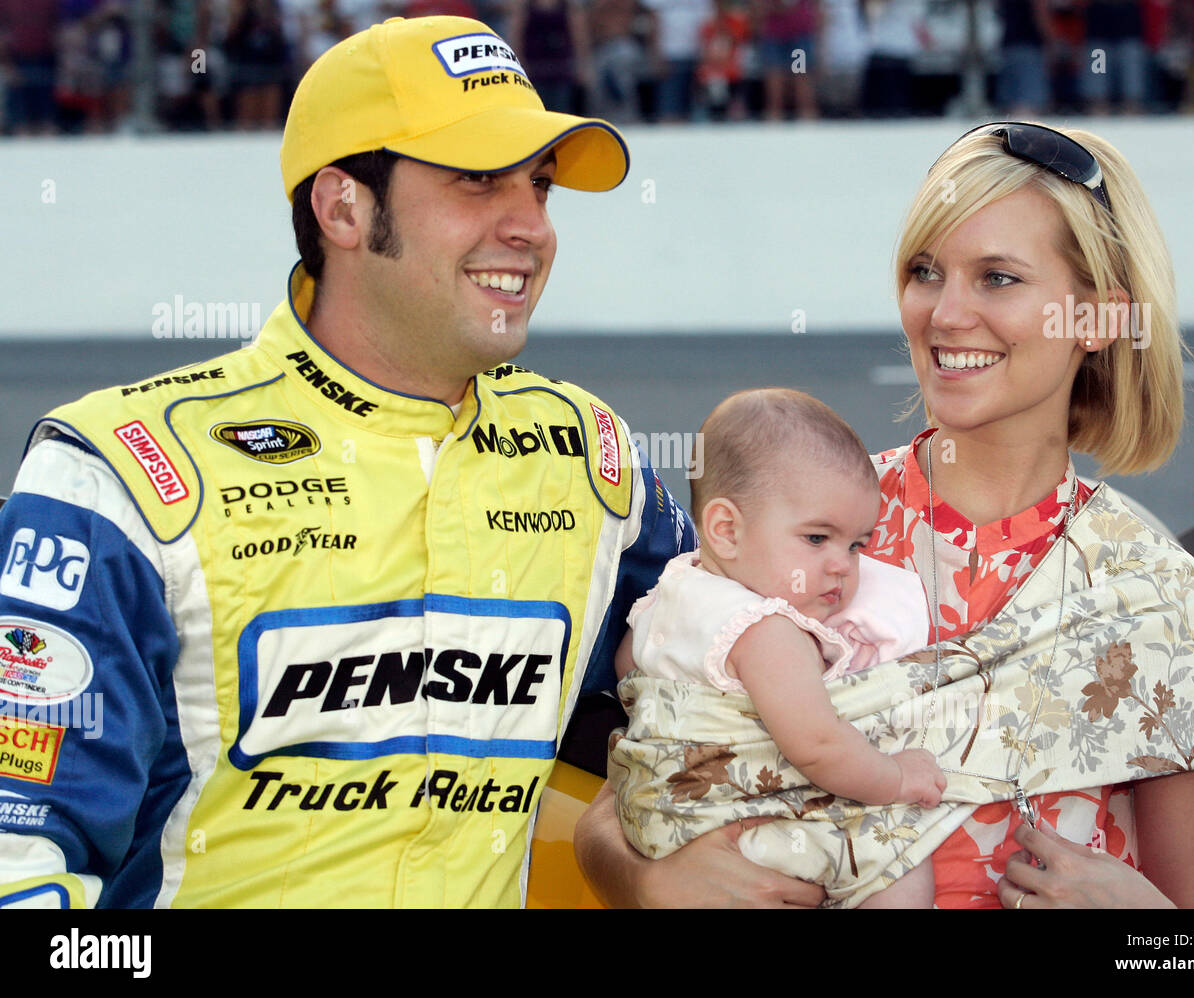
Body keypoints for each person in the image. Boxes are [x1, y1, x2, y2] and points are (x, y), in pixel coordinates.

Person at [0, 15, 694, 908]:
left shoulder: (593, 460)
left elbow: (712, 690)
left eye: (542, 187)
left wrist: (635, 863)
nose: (532, 227)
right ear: (342, 208)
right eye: (478, 181)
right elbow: (25, 871)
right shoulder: (119, 477)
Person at [574, 121, 1194, 907]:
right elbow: (645, 767)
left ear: (1098, 321)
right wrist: (641, 876)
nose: (945, 314)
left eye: (998, 278)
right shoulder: (807, 523)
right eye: (926, 272)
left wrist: (1143, 919)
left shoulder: (1154, 592)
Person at [610, 388, 943, 907]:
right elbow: (818, 745)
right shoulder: (766, 630)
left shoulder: (670, 591)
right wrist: (899, 778)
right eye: (816, 539)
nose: (842, 565)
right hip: (746, 831)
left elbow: (630, 672)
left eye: (856, 545)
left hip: (659, 829)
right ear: (726, 530)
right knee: (895, 860)